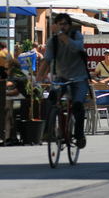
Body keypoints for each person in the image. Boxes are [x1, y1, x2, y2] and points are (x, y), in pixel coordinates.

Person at [37, 13, 90, 149]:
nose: (62, 26)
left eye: (65, 24)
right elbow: (47, 60)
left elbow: (75, 48)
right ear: (56, 25)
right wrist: (38, 78)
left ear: (69, 26)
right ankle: (51, 130)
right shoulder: (52, 41)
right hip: (61, 77)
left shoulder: (76, 36)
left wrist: (60, 34)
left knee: (78, 105)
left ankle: (79, 135)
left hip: (79, 78)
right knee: (52, 99)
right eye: (60, 24)